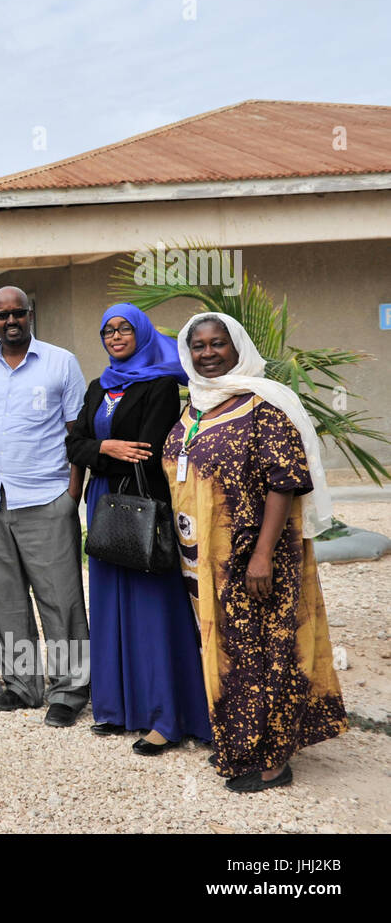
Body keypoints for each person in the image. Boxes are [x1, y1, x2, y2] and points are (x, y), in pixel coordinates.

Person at [164, 312, 347, 792]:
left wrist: (262, 554)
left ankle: (274, 759)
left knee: (266, 651)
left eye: (217, 343)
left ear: (236, 346)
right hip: (205, 560)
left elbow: (285, 483)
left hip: (254, 557)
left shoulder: (264, 404)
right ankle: (238, 745)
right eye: (198, 345)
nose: (207, 353)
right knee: (225, 651)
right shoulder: (195, 408)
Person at [65, 303, 212, 755]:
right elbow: (73, 442)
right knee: (109, 605)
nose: (115, 336)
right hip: (104, 502)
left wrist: (95, 450)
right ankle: (116, 709)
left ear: (142, 333)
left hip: (143, 505)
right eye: (107, 330)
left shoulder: (161, 384)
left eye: (124, 328)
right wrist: (103, 447)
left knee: (152, 610)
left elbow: (147, 450)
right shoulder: (97, 387)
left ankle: (165, 718)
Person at [0, 286, 90, 727]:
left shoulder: (60, 362)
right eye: (1, 315)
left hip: (46, 499)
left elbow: (76, 431)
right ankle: (23, 684)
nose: (10, 321)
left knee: (61, 599)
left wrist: (71, 494)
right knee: (6, 601)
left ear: (30, 314)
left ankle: (69, 689)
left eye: (18, 313)